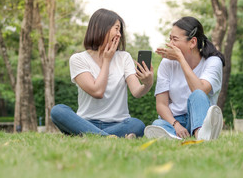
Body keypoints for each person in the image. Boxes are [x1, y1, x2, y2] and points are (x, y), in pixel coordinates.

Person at [51, 8, 154, 138]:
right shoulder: (78, 59)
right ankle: (106, 137)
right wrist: (107, 60)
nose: (119, 34)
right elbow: (97, 92)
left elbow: (136, 92)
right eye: (116, 29)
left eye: (120, 30)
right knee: (58, 111)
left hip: (118, 123)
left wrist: (147, 84)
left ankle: (88, 135)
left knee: (137, 124)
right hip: (86, 122)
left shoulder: (124, 57)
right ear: (101, 28)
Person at [144, 16, 225, 140]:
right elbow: (161, 105)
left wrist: (180, 59)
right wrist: (176, 125)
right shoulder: (167, 63)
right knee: (157, 124)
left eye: (175, 39)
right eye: (170, 39)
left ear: (192, 42)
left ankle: (200, 134)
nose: (170, 44)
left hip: (201, 117)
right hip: (176, 121)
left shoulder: (213, 62)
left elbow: (200, 90)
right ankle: (175, 134)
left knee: (197, 94)